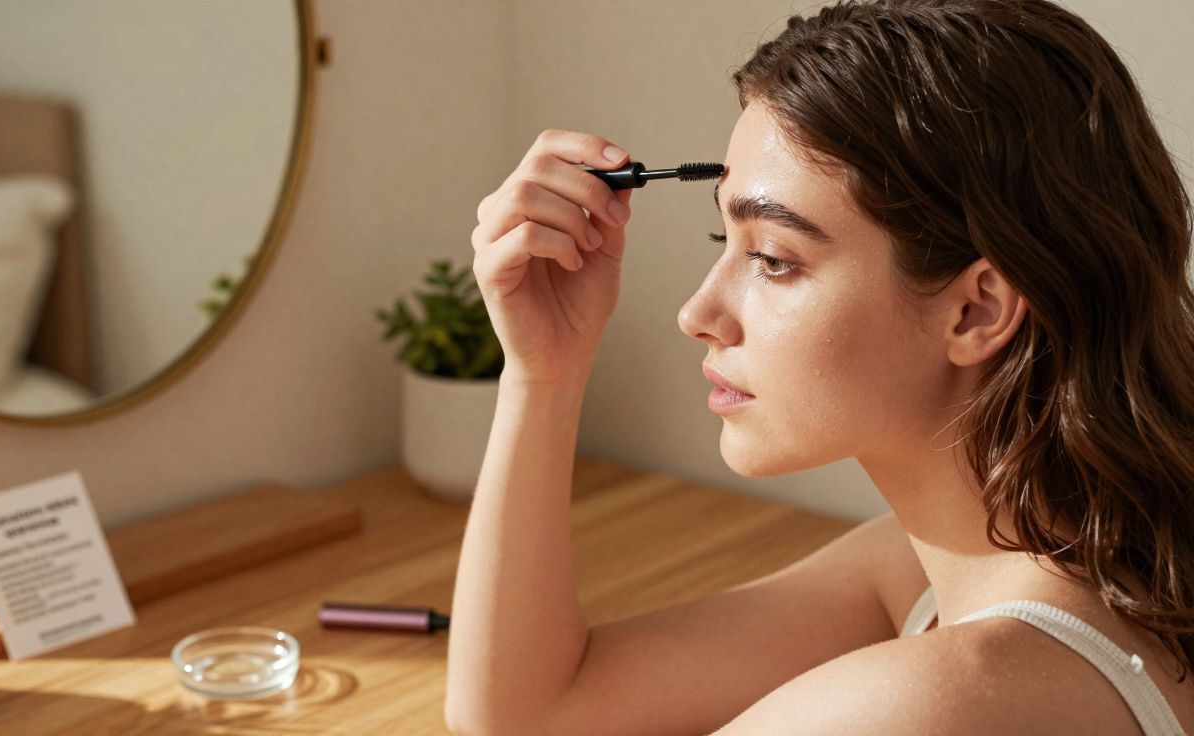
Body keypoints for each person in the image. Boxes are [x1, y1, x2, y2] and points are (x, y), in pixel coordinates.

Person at [445, 0, 1194, 733]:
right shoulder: (985, 560)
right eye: (724, 242)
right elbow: (527, 710)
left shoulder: (934, 701)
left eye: (773, 259)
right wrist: (544, 371)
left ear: (977, 311)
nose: (698, 313)